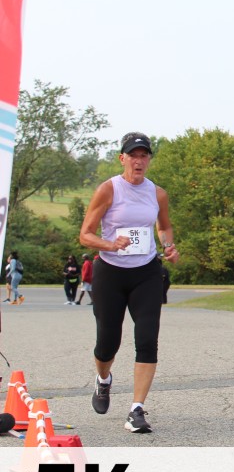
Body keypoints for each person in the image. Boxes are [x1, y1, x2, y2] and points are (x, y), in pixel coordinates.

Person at [79, 132, 179, 434]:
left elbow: (164, 226)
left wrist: (168, 246)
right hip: (110, 272)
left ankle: (136, 409)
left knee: (147, 339)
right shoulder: (108, 189)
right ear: (122, 158)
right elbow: (85, 234)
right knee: (107, 343)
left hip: (146, 272)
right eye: (133, 155)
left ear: (149, 160)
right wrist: (110, 244)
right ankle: (104, 379)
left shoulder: (157, 193)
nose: (138, 161)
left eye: (143, 155)